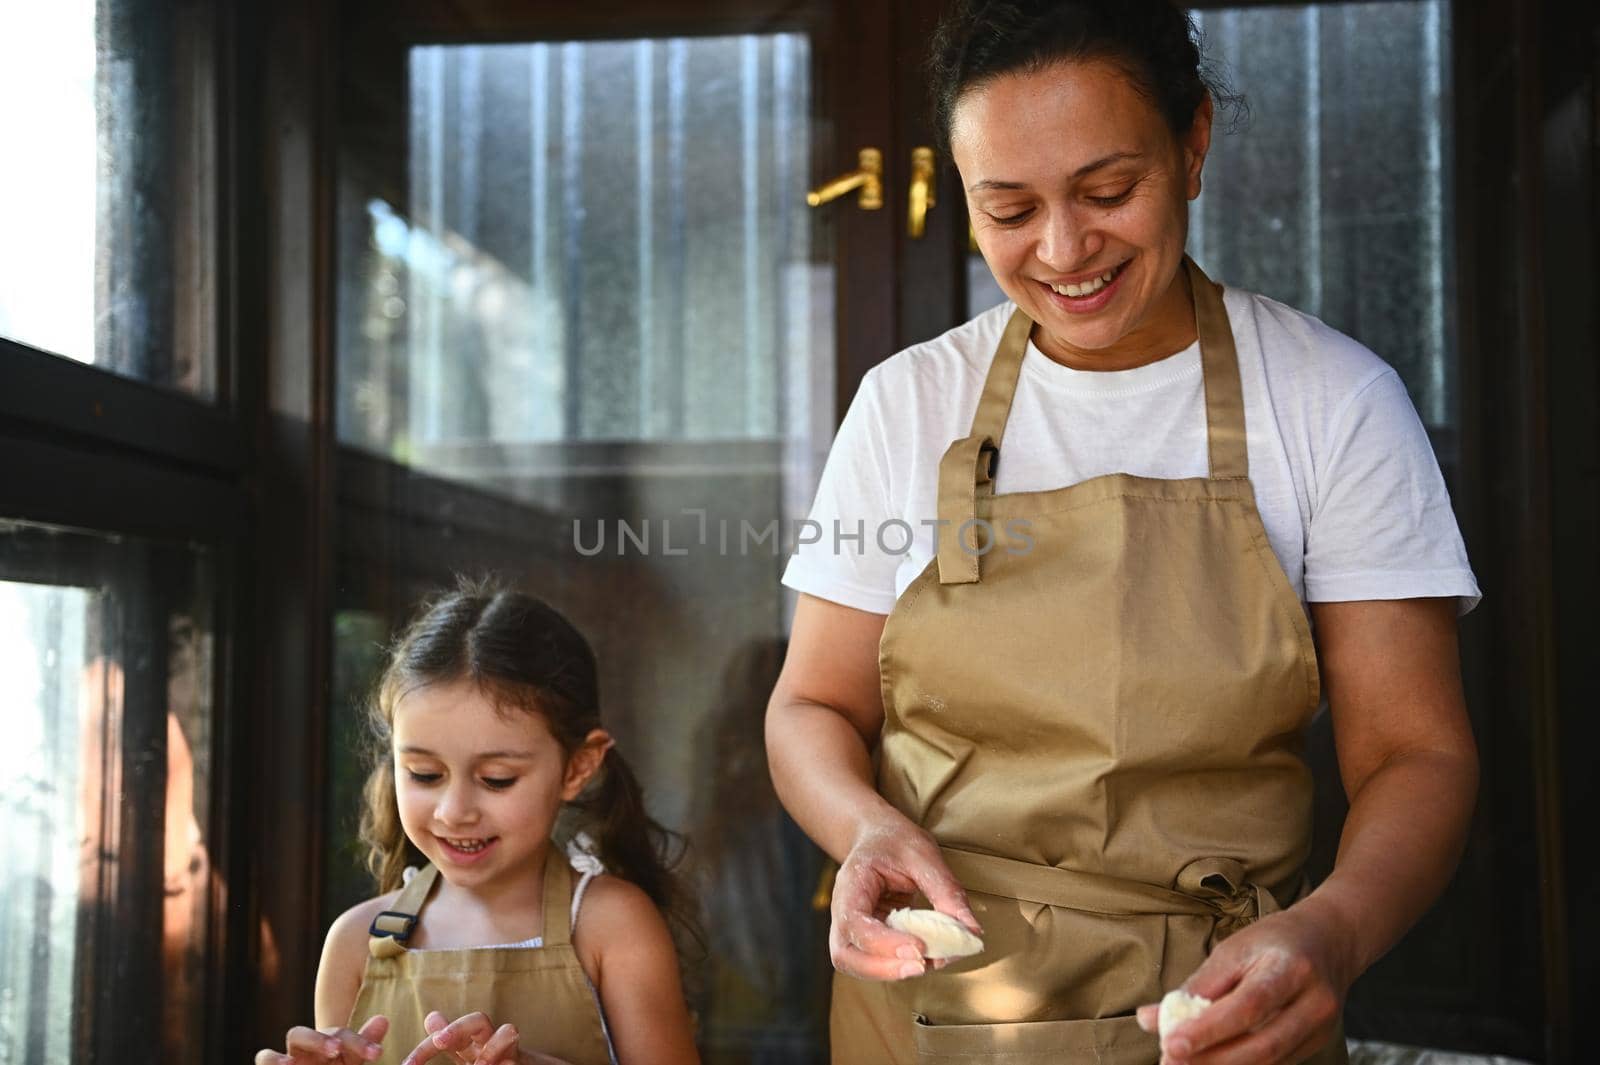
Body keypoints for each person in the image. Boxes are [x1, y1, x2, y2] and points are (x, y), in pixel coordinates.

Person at [765, 3, 1481, 1064]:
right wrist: (866, 830)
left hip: (1217, 1001)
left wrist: (1331, 931)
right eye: (1007, 210)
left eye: (1108, 192)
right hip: (933, 1009)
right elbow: (811, 705)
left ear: (1192, 146)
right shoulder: (909, 403)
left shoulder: (1329, 401)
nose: (1063, 249)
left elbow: (1414, 753)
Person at [255, 581, 700, 1065]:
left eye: (496, 779)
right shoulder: (354, 942)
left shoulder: (610, 926)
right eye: (425, 774)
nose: (453, 811)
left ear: (577, 767)